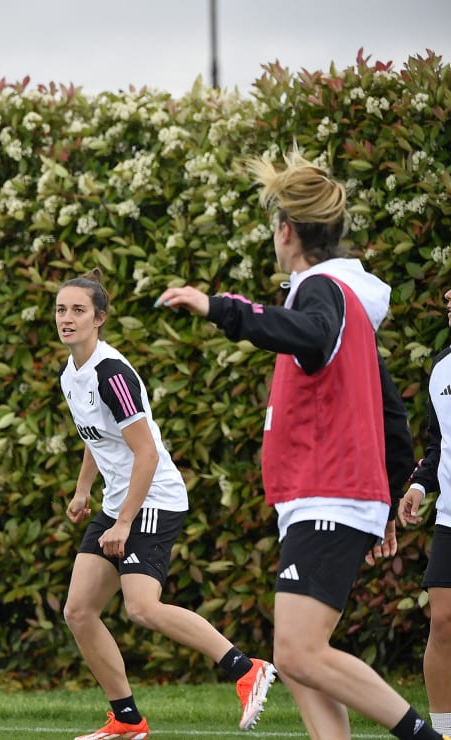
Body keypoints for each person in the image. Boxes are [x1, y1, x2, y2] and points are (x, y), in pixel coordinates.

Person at [155, 151, 441, 740]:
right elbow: (391, 413)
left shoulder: (321, 293)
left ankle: (425, 737)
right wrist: (385, 498)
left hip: (329, 496)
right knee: (300, 659)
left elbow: (307, 333)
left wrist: (221, 308)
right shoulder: (347, 302)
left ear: (287, 232)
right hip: (333, 499)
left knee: (301, 653)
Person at [56, 268, 276, 739]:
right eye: (61, 310)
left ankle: (246, 668)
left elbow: (147, 453)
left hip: (153, 498)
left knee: (142, 607)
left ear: (100, 318)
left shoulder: (112, 373)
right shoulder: (71, 375)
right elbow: (97, 439)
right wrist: (81, 492)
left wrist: (124, 522)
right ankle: (127, 721)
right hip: (119, 503)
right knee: (78, 610)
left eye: (78, 310)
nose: (67, 318)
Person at [399, 286, 451, 736]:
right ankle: (444, 729)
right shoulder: (441, 368)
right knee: (443, 620)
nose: (448, 295)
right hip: (450, 521)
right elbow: (438, 445)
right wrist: (418, 484)